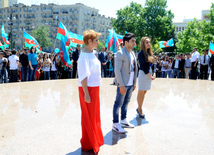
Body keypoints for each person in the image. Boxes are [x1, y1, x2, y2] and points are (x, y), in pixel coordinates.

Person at [77, 30, 104, 154]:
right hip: (88, 89)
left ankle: (95, 139)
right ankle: (88, 143)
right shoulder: (83, 56)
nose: (98, 42)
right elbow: (83, 76)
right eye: (96, 40)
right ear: (89, 41)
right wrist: (86, 94)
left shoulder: (92, 53)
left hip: (94, 88)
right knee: (88, 116)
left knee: (94, 115)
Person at [112, 32, 138, 133]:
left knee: (126, 102)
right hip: (123, 84)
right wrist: (121, 85)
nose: (134, 43)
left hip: (130, 83)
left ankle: (123, 120)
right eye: (132, 41)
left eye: (134, 41)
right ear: (126, 42)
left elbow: (134, 68)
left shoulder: (132, 53)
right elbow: (117, 70)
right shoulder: (120, 53)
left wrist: (134, 82)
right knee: (118, 103)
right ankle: (115, 123)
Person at [137, 37, 155, 119]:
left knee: (144, 92)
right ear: (143, 44)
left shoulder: (150, 53)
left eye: (149, 42)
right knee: (141, 92)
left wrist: (154, 73)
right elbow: (143, 66)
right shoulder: (141, 53)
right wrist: (149, 75)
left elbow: (153, 65)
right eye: (147, 42)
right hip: (143, 74)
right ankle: (140, 109)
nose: (149, 44)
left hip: (149, 74)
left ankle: (139, 107)